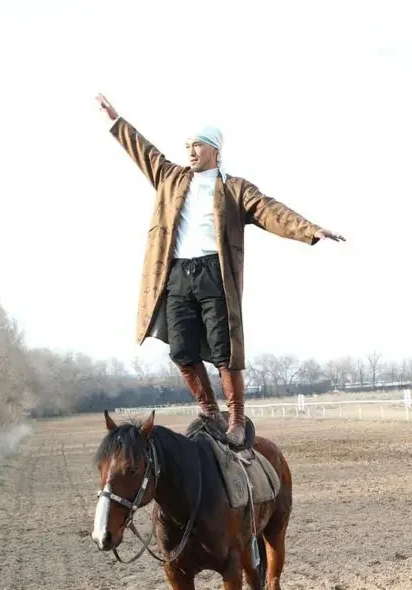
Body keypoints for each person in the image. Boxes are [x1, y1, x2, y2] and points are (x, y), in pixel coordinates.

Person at [96, 93, 344, 447]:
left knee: (224, 352)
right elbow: (143, 151)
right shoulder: (170, 177)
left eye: (198, 145)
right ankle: (208, 409)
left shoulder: (234, 188)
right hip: (178, 274)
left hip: (216, 275)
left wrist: (311, 229)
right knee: (181, 350)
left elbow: (271, 210)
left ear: (215, 150)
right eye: (187, 146)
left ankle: (237, 418)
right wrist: (116, 121)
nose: (191, 151)